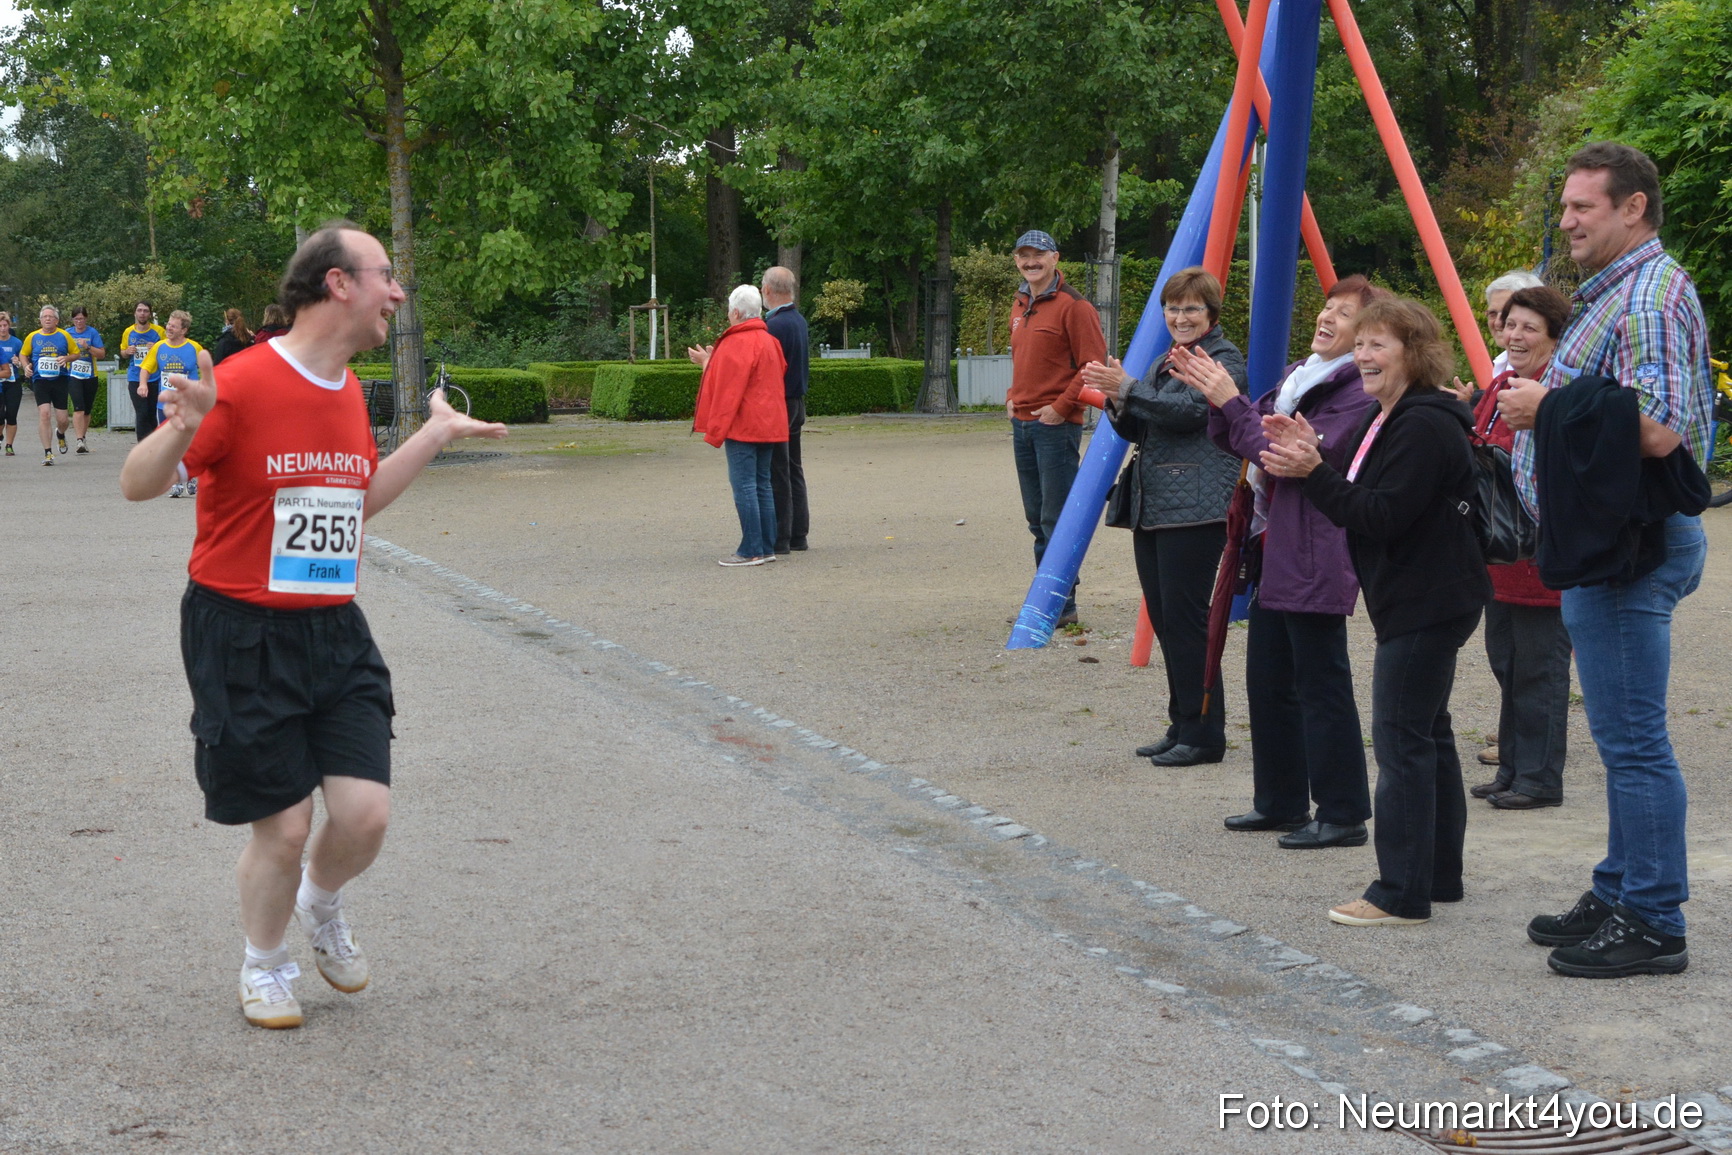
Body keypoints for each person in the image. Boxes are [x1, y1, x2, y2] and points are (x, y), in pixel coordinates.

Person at [118, 220, 506, 1030]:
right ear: (338, 283)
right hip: (240, 629)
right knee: (287, 822)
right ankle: (264, 965)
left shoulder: (348, 392)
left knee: (365, 813)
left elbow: (354, 501)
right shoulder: (243, 380)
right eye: (385, 275)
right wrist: (182, 427)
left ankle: (320, 902)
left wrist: (434, 433)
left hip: (333, 626)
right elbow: (136, 483)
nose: (396, 292)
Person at [1496, 142, 1714, 978]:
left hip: (1628, 550)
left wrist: (1545, 403)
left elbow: (1657, 427)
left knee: (1633, 742)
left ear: (1634, 208)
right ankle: (1622, 884)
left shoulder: (1653, 294)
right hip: (1603, 546)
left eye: (1583, 206)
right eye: (1566, 205)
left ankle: (1655, 919)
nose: (1567, 220)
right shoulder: (1617, 293)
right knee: (1623, 735)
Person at [1260, 297, 1490, 927]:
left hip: (1429, 598)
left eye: (1377, 345)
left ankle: (1400, 891)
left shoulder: (1422, 423)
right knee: (1428, 736)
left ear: (1412, 354)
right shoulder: (1386, 418)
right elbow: (1357, 489)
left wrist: (1312, 474)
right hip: (1414, 596)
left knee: (1401, 740)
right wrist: (1312, 454)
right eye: (1360, 345)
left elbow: (1383, 515)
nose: (1362, 355)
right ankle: (1438, 876)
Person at [1176, 275, 1386, 845]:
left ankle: (1343, 813)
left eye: (1343, 315)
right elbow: (1247, 434)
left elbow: (1285, 449)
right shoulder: (1301, 375)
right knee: (1268, 678)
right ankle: (1280, 799)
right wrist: (1222, 401)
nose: (1326, 318)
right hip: (1272, 543)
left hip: (1315, 545)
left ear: (1368, 337)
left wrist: (1229, 400)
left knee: (1320, 679)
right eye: (1326, 307)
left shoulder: (1355, 390)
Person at [1079, 268, 1244, 767]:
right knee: (1169, 621)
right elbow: (1139, 425)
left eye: (1191, 308)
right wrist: (1115, 397)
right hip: (1156, 506)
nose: (1180, 316)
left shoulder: (1223, 359)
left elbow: (1191, 412)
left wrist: (1129, 388)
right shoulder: (1164, 359)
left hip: (1197, 507)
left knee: (1188, 622)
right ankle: (1182, 723)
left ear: (1211, 313)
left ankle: (1205, 734)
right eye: (1173, 308)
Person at [1466, 285, 1574, 811]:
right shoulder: (1502, 382)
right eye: (1510, 325)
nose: (1515, 335)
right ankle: (1512, 767)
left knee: (1540, 667)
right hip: (1500, 551)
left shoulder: (1561, 391)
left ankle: (1539, 776)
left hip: (1540, 553)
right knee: (1506, 661)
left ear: (1555, 336)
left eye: (1530, 327)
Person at [1007, 229, 1107, 627]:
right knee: (1036, 517)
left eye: (1038, 255)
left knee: (1056, 518)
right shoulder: (1019, 303)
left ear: (1055, 258)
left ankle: (1061, 604)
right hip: (1023, 423)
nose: (1031, 262)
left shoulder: (1075, 306)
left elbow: (1093, 367)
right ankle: (1046, 596)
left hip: (1054, 427)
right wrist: (1013, 395)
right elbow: (1024, 358)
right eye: (1023, 255)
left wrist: (1062, 408)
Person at [686, 284, 790, 566]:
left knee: (744, 485)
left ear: (734, 312)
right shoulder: (770, 341)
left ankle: (752, 548)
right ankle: (766, 546)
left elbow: (726, 388)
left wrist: (709, 364)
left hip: (743, 424)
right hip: (769, 423)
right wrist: (712, 361)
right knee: (762, 484)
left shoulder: (735, 343)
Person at [761, 267, 811, 554]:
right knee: (793, 468)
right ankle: (798, 534)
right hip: (796, 402)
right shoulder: (798, 320)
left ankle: (781, 537)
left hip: (781, 403)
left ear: (767, 290)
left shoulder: (775, 326)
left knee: (777, 471)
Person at [139, 312, 209, 497]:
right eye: (168, 324)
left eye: (174, 326)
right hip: (165, 405)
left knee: (187, 441)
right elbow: (146, 367)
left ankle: (191, 475)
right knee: (170, 442)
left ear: (184, 330)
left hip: (188, 403)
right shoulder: (159, 347)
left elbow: (207, 371)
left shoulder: (194, 348)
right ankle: (176, 481)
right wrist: (143, 384)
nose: (168, 328)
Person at [20, 305, 79, 466]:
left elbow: (76, 353)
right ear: (40, 320)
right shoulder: (32, 337)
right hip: (40, 381)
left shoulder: (64, 335)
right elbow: (23, 354)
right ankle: (48, 453)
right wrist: (26, 366)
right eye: (44, 316)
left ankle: (60, 434)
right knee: (44, 414)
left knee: (63, 420)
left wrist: (66, 359)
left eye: (50, 316)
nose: (47, 319)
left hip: (60, 380)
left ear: (56, 320)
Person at [120, 302, 168, 442]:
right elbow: (122, 353)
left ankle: (153, 443)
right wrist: (127, 351)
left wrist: (156, 348)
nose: (142, 313)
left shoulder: (159, 331)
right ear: (135, 313)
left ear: (150, 314)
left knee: (152, 413)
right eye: (139, 310)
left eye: (145, 311)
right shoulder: (128, 332)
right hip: (135, 377)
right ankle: (142, 445)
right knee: (141, 413)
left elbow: (168, 350)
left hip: (154, 378)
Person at [65, 306, 106, 453]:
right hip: (73, 375)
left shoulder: (92, 332)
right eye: (76, 319)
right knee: (79, 407)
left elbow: (101, 354)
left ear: (86, 319)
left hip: (90, 375)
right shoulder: (67, 333)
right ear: (72, 320)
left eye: (81, 319)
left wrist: (87, 347)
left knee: (87, 410)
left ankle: (82, 437)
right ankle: (79, 440)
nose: (79, 322)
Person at [0, 313, 23, 456]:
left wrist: (18, 363)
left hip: (13, 382)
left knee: (12, 415)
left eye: (5, 325)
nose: (2, 329)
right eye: (0, 326)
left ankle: (9, 445)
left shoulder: (17, 343)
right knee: (0, 416)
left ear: (9, 326)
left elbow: (24, 363)